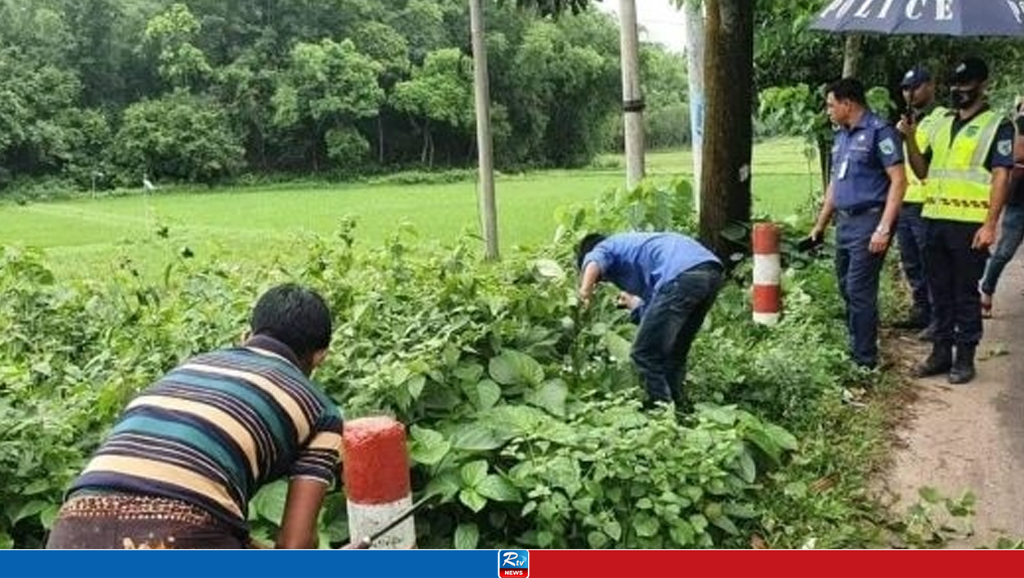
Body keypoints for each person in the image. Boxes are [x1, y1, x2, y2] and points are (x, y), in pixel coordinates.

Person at [46, 283, 343, 549]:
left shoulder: (190, 368)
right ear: (320, 357)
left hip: (74, 526)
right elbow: (295, 545)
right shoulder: (320, 410)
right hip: (180, 534)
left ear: (245, 336)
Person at [901, 57, 1013, 384]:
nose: (959, 91)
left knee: (965, 293)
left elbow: (1001, 176)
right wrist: (909, 137)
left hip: (969, 224)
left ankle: (965, 357)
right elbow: (922, 171)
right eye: (955, 84)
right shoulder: (939, 123)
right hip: (934, 218)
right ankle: (940, 353)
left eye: (966, 85)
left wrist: (991, 224)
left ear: (982, 85)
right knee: (939, 291)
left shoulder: (998, 125)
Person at [809, 77, 907, 369]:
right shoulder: (841, 137)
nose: (828, 110)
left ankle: (864, 359)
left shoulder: (881, 132)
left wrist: (884, 227)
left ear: (847, 103)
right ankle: (859, 342)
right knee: (845, 286)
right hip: (846, 224)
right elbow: (834, 187)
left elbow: (899, 181)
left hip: (870, 221)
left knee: (859, 288)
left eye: (830, 104)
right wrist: (820, 225)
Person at [576, 232, 722, 412]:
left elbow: (593, 262)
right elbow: (657, 312)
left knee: (643, 354)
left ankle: (661, 413)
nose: (605, 280)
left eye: (601, 279)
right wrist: (635, 306)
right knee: (674, 352)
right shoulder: (634, 249)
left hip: (681, 275)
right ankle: (680, 408)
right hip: (710, 273)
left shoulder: (605, 246)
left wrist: (584, 293)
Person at [895, 65, 948, 338]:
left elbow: (929, 162)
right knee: (911, 261)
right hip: (904, 201)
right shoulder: (906, 120)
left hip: (926, 203)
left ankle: (938, 318)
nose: (909, 93)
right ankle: (920, 311)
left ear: (931, 86)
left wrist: (910, 137)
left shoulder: (942, 119)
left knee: (930, 263)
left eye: (915, 87)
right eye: (905, 88)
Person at [978, 98, 1024, 315]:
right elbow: (1017, 155)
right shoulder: (1019, 125)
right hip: (1019, 201)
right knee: (1005, 251)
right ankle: (987, 289)